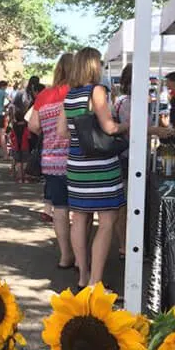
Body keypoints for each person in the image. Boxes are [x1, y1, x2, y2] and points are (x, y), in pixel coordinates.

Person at [57, 47, 128, 288]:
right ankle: (95, 282)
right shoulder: (96, 91)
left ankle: (82, 276)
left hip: (76, 164)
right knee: (107, 220)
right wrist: (127, 124)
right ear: (93, 66)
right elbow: (109, 128)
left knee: (79, 218)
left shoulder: (70, 95)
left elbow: (61, 132)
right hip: (101, 165)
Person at [29, 53, 74, 268]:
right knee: (82, 212)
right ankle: (82, 257)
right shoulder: (77, 91)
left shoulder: (44, 95)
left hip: (51, 159)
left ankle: (65, 255)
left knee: (60, 208)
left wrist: (49, 132)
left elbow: (33, 126)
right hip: (77, 158)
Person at [9, 106, 31, 182]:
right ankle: (25, 178)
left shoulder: (14, 126)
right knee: (25, 162)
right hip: (25, 146)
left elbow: (11, 136)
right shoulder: (26, 126)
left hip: (16, 146)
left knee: (18, 162)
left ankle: (19, 178)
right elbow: (29, 136)